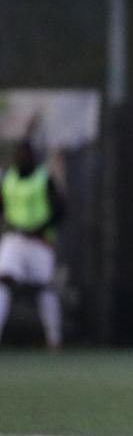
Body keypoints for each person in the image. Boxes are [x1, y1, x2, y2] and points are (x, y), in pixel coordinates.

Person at [0, 137, 66, 350]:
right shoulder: (8, 179)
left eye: (24, 154)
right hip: (15, 239)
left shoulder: (43, 178)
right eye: (17, 154)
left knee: (45, 288)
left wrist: (40, 228)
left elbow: (60, 211)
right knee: (3, 281)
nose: (19, 158)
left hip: (40, 242)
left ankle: (54, 340)